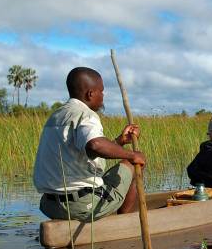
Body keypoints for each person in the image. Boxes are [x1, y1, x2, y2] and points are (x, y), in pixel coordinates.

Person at [32, 66, 145, 222]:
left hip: (50, 205)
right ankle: (123, 222)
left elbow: (86, 151)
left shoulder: (57, 115)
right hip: (80, 205)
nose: (103, 96)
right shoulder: (86, 115)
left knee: (111, 171)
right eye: (102, 91)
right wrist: (132, 155)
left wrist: (119, 141)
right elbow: (95, 145)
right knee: (133, 164)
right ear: (90, 94)